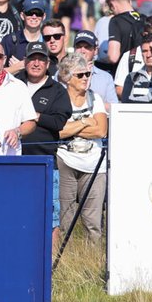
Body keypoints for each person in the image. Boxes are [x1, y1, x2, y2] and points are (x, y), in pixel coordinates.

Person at [56, 56, 108, 240]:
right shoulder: (59, 99)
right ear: (67, 78)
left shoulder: (96, 98)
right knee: (65, 218)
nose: (86, 78)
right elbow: (58, 132)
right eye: (80, 75)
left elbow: (101, 130)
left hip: (94, 165)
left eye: (88, 74)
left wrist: (73, 127)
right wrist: (86, 121)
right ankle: (66, 261)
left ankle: (91, 261)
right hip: (66, 162)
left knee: (93, 222)